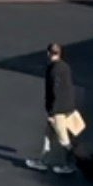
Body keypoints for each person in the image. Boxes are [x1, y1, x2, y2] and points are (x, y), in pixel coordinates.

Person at [26, 42, 81, 175]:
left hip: (57, 111)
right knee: (48, 135)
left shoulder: (53, 69)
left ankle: (71, 165)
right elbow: (67, 88)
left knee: (64, 141)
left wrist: (52, 111)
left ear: (48, 53)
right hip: (66, 108)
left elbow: (55, 91)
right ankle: (42, 161)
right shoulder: (65, 67)